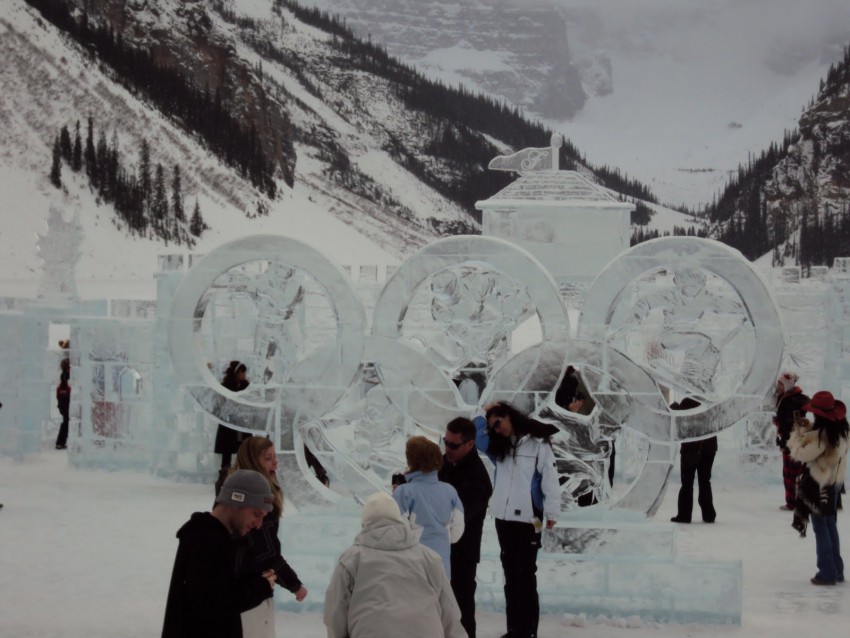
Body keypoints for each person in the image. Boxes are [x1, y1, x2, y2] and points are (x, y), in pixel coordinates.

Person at [323, 491, 466, 638]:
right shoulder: (429, 557)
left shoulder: (351, 559)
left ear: (365, 523)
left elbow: (336, 612)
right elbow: (450, 613)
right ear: (398, 519)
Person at [474, 402, 561, 638]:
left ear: (509, 416)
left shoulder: (537, 443)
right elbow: (475, 434)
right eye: (492, 427)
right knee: (511, 576)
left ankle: (528, 632)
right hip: (504, 518)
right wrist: (483, 412)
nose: (497, 429)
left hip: (528, 518)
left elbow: (550, 476)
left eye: (498, 423)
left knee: (525, 576)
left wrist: (552, 511)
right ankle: (514, 630)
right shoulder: (499, 446)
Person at [162, 470, 277, 638]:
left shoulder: (216, 538)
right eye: (256, 514)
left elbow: (217, 591)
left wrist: (254, 580)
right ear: (235, 502)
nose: (259, 524)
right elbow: (213, 604)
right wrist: (261, 586)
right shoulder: (205, 540)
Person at [231, 437, 307, 638]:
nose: (275, 463)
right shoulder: (257, 500)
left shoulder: (233, 493)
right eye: (267, 458)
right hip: (250, 594)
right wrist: (295, 586)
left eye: (275, 457)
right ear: (252, 461)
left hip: (238, 590)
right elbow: (267, 552)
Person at [438, 417, 493, 638]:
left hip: (461, 555)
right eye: (445, 442)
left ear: (470, 444)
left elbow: (455, 518)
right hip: (438, 551)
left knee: (460, 613)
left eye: (453, 445)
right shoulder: (442, 463)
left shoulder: (478, 479)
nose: (447, 449)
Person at [788, 391, 848, 585]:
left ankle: (826, 572)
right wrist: (809, 428)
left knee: (821, 528)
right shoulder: (840, 430)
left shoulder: (823, 436)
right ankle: (836, 569)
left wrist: (797, 434)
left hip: (820, 486)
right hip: (834, 484)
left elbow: (802, 454)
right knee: (830, 525)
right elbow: (820, 440)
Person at [392, 436, 465, 577]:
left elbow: (398, 533)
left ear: (411, 460)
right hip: (442, 569)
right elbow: (457, 532)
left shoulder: (404, 492)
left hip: (412, 570)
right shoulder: (450, 491)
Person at [669, 398, 717, 524]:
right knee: (705, 481)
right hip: (709, 448)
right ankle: (709, 514)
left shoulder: (687, 402)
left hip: (691, 449)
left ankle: (684, 515)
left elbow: (676, 416)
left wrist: (674, 405)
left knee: (687, 483)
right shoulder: (709, 402)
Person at [773, 371, 810, 510]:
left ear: (787, 385)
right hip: (789, 440)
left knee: (793, 472)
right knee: (789, 472)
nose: (778, 386)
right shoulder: (786, 398)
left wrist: (784, 439)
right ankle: (792, 501)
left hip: (793, 441)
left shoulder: (792, 401)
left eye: (781, 384)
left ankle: (795, 502)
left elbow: (790, 423)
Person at [214, 361, 250, 495]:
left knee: (243, 450)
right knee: (227, 452)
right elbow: (220, 404)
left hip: (242, 424)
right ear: (236, 372)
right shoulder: (225, 387)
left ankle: (243, 478)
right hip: (228, 424)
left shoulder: (246, 386)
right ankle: (224, 480)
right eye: (242, 372)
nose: (244, 375)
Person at [55, 357, 71, 450]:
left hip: (63, 402)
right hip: (66, 402)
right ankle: (60, 442)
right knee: (66, 422)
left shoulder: (63, 375)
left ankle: (61, 442)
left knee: (66, 422)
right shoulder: (67, 375)